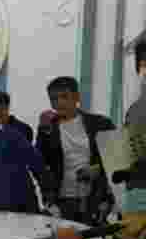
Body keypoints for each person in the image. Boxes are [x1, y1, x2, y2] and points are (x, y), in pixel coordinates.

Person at [36, 76, 115, 225]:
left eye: (64, 97)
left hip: (95, 199)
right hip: (62, 200)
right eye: (54, 99)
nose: (59, 102)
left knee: (93, 237)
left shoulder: (101, 124)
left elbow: (116, 160)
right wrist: (48, 199)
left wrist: (97, 170)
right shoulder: (48, 128)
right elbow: (40, 164)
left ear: (77, 97)